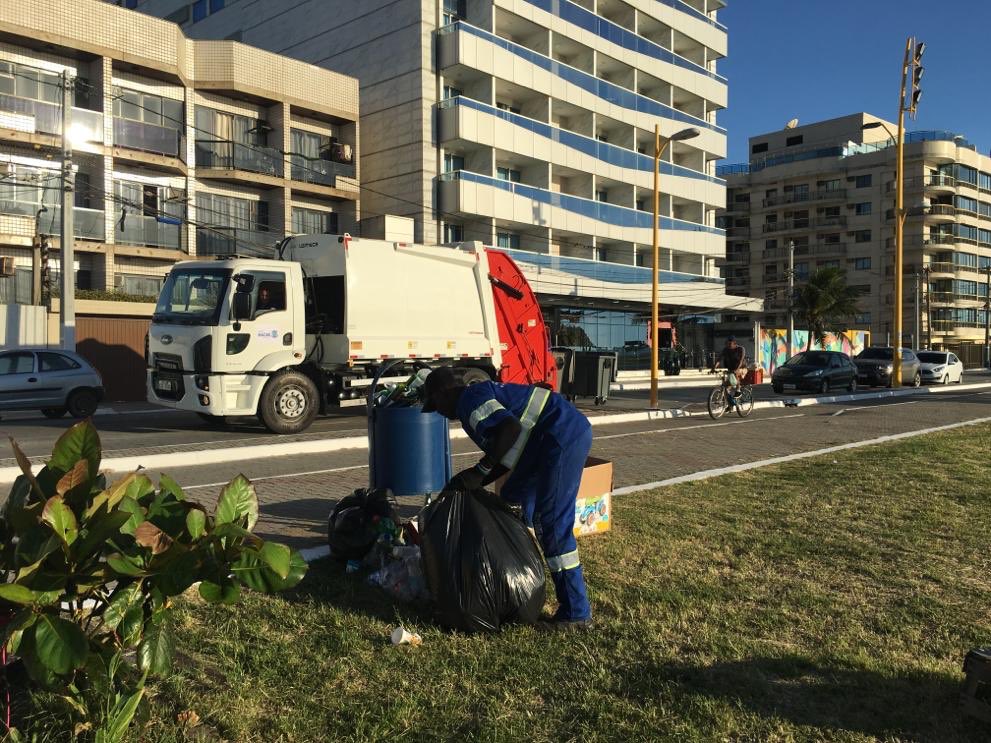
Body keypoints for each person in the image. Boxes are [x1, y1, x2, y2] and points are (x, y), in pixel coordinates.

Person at [421, 367, 593, 631]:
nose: (439, 413)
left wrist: (479, 472)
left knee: (553, 526)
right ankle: (516, 563)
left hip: (559, 437)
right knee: (512, 497)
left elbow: (509, 430)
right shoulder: (474, 401)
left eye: (435, 405)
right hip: (541, 443)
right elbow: (507, 453)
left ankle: (576, 613)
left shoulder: (470, 400)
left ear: (443, 394)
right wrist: (474, 478)